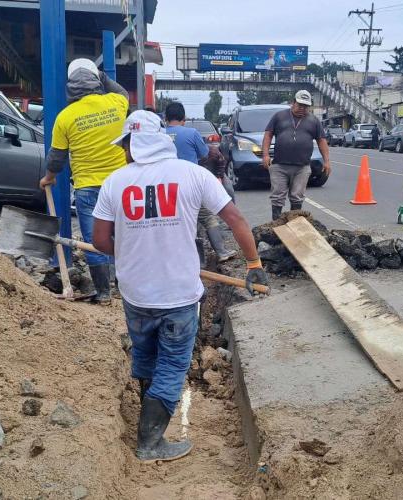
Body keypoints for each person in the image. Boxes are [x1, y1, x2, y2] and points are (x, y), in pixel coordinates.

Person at [91, 111, 268, 462]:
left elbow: (99, 240)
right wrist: (253, 263)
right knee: (172, 365)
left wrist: (129, 249)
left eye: (125, 145)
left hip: (135, 292)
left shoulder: (115, 182)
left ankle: (147, 417)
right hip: (179, 294)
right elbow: (235, 220)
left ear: (131, 144)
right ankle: (150, 442)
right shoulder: (194, 174)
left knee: (146, 355)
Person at [39, 58, 129, 304]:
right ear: (97, 81)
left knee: (95, 242)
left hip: (88, 188)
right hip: (121, 185)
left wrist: (49, 178)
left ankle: (103, 293)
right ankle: (126, 289)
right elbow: (120, 90)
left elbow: (56, 158)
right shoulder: (117, 103)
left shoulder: (65, 117)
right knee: (125, 236)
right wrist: (103, 77)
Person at [166, 102, 236, 262]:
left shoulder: (159, 134)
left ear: (166, 118)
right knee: (207, 217)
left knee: (177, 222)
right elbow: (204, 154)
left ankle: (180, 258)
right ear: (183, 118)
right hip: (189, 183)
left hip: (165, 186)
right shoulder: (191, 133)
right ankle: (221, 252)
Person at [262, 89, 331, 220]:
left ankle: (294, 226)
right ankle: (277, 226)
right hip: (279, 166)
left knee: (297, 196)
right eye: (300, 105)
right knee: (277, 196)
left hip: (302, 167)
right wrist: (265, 155)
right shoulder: (279, 116)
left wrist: (327, 161)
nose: (302, 109)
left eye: (305, 106)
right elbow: (268, 134)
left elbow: (321, 141)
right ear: (293, 103)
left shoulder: (314, 121)